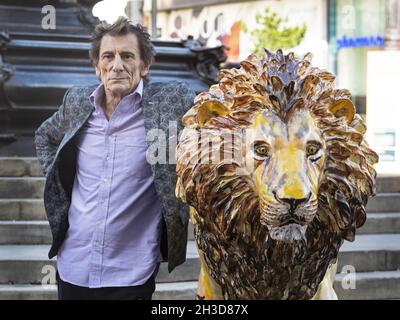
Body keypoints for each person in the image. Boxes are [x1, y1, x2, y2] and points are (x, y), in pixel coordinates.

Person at [34, 16, 196, 300]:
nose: (117, 65)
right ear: (97, 66)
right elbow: (44, 136)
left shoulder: (171, 103)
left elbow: (215, 126)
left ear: (144, 65)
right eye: (108, 56)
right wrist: (57, 179)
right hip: (73, 267)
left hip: (131, 274)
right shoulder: (76, 102)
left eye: (128, 56)